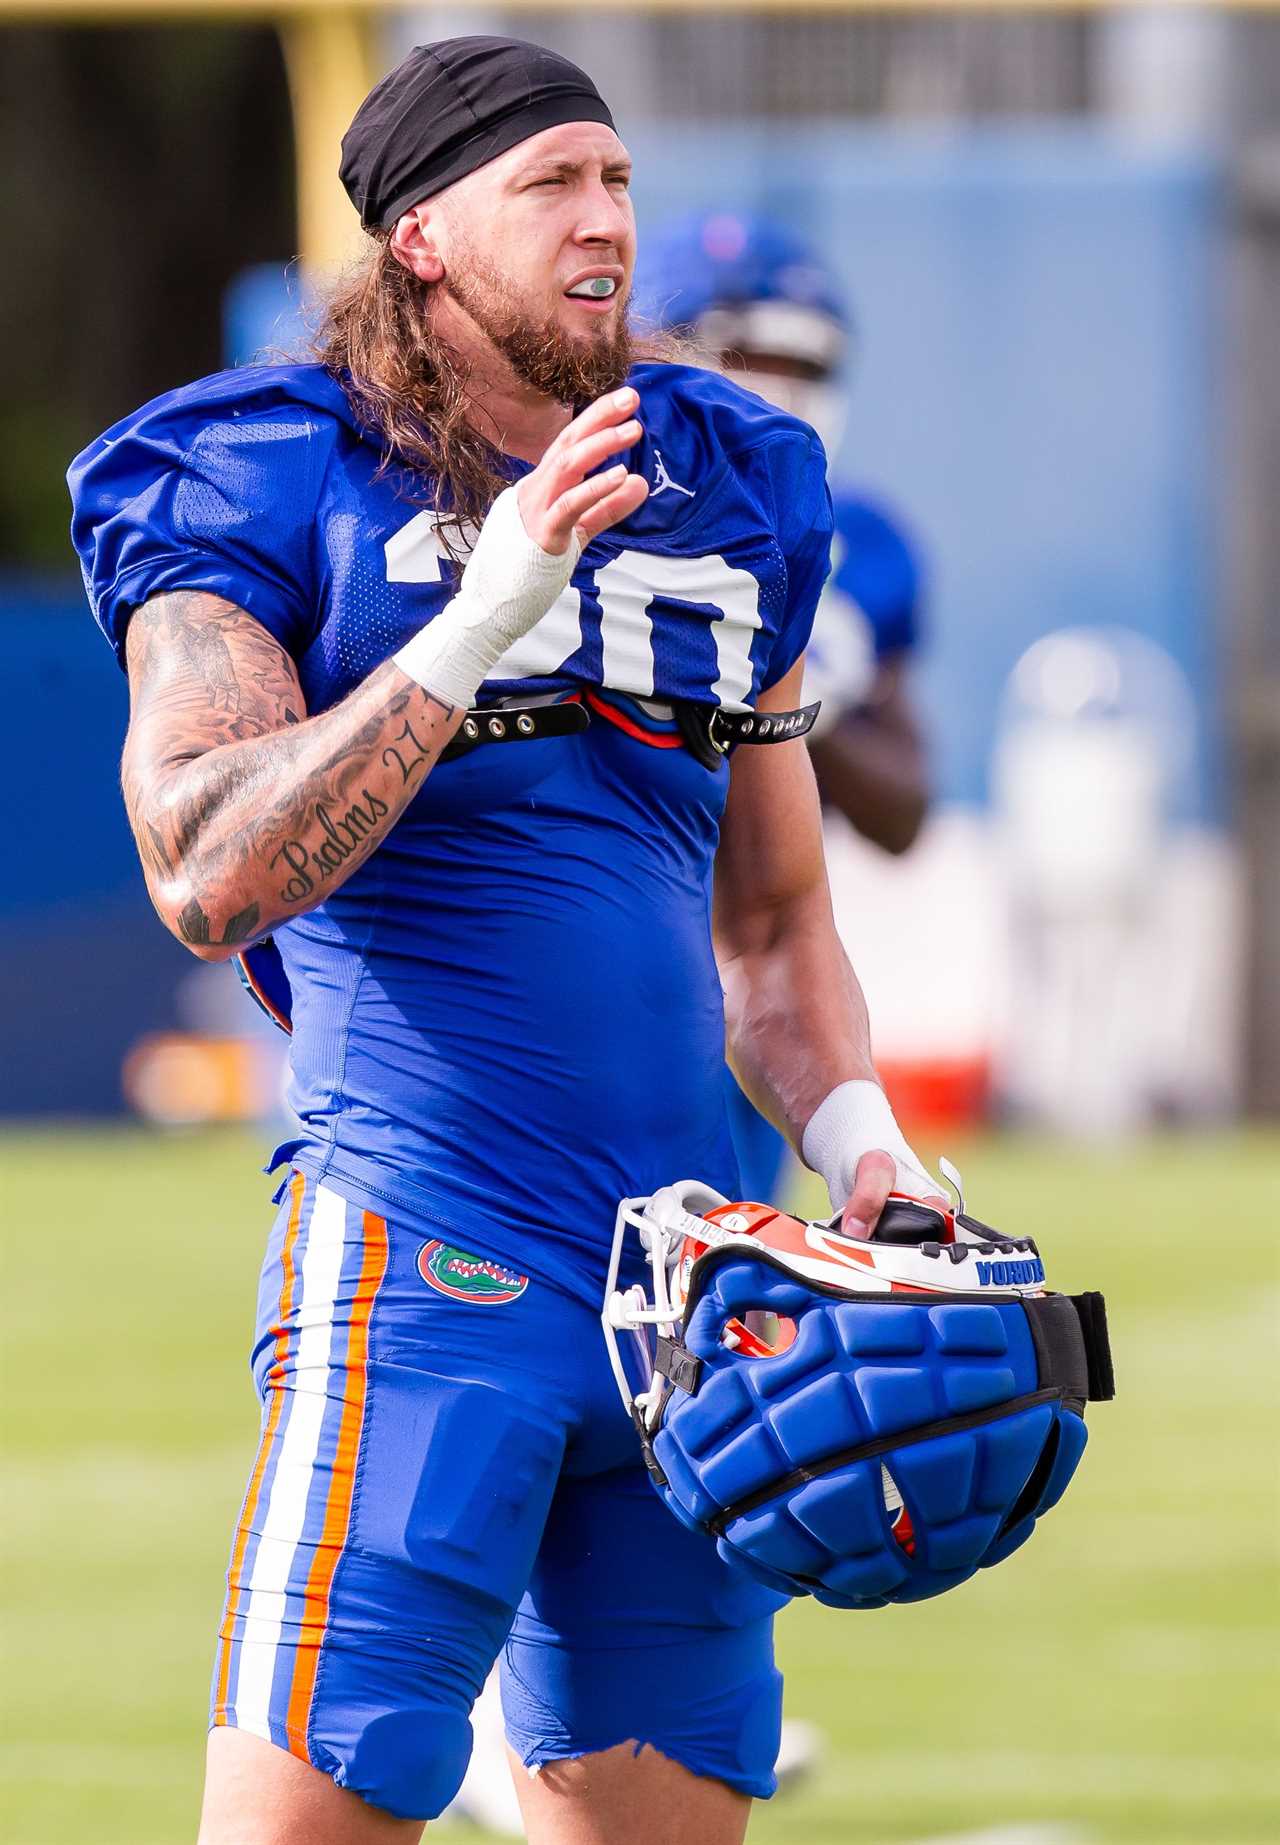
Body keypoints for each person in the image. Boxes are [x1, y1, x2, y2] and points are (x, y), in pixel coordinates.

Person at [69, 37, 944, 1845]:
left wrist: (863, 1149)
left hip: (690, 1286)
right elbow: (204, 868)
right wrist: (474, 628)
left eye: (616, 181)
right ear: (418, 237)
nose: (603, 219)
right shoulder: (261, 470)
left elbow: (775, 921)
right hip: (419, 1268)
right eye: (549, 185)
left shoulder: (732, 480)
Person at [635, 211, 931, 1201]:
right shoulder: (588, 508)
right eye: (743, 352)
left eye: (796, 360)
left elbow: (903, 808)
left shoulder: (854, 547)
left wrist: (800, 681)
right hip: (603, 943)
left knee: (730, 1283)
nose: (773, 385)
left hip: (757, 962)